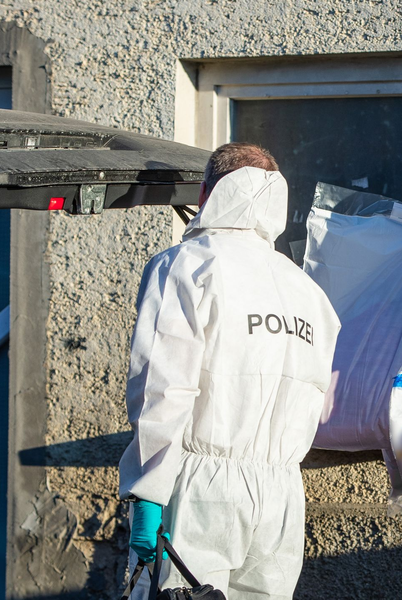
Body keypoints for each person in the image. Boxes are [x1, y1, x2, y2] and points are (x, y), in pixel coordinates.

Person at [118, 142, 341, 599]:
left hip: (201, 491)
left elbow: (163, 385)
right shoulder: (308, 292)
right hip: (281, 497)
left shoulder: (186, 265)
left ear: (207, 194)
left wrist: (149, 488)